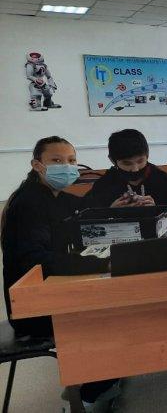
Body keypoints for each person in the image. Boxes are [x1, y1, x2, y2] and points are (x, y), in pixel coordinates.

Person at [1, 137, 120, 412]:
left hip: (49, 295)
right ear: (37, 165)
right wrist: (100, 264)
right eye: (56, 161)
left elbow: (81, 216)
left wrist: (115, 212)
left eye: (71, 160)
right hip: (34, 309)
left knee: (114, 305)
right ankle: (91, 393)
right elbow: (37, 261)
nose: (66, 166)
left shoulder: (53, 195)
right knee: (115, 316)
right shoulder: (29, 203)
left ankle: (99, 381)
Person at [85, 129, 167, 214]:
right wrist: (110, 211)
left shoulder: (162, 179)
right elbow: (88, 214)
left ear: (147, 155)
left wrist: (160, 209)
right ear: (113, 161)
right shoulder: (105, 184)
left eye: (140, 161)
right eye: (127, 163)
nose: (135, 169)